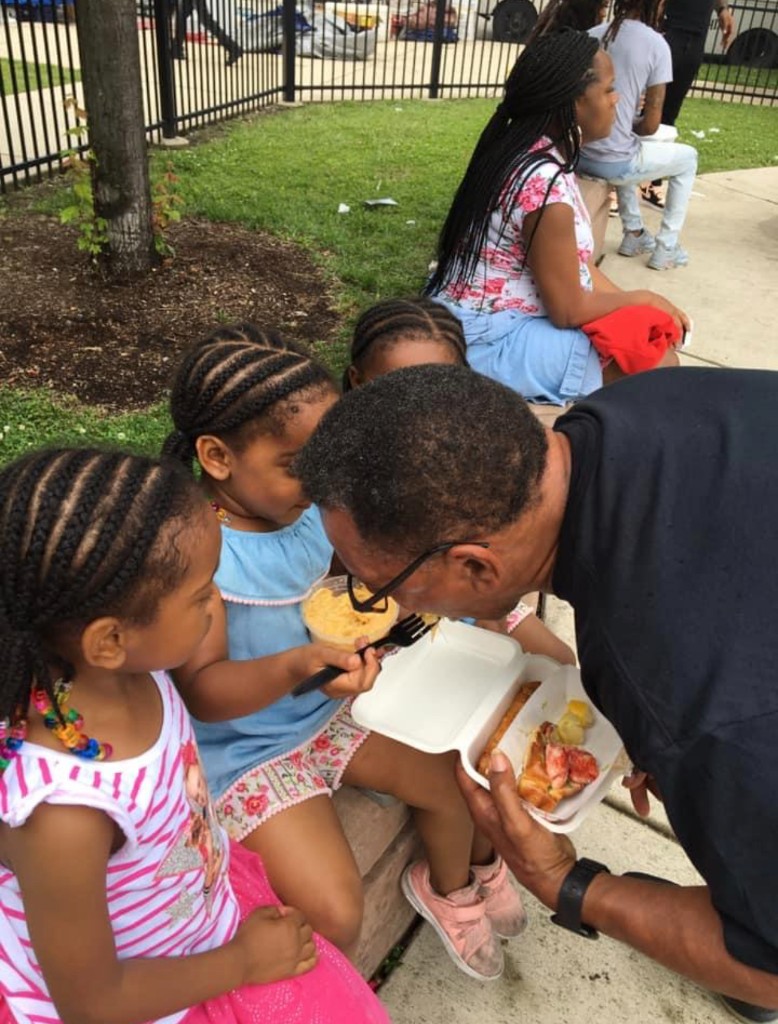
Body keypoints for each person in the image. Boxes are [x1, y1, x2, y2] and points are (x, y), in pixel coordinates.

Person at [296, 363, 778, 1023]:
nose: (375, 604)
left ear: (475, 565)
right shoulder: (630, 410)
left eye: (382, 587)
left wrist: (570, 884)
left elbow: (771, 968)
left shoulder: (690, 704)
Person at [162, 324, 527, 982]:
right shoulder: (203, 556)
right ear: (217, 457)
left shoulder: (302, 510)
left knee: (452, 781)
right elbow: (204, 695)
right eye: (301, 465)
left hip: (323, 710)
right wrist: (302, 664)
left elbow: (339, 578)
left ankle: (448, 890)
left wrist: (388, 609)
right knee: (335, 911)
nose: (324, 479)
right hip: (246, 750)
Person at [0, 447, 391, 1024]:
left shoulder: (139, 672)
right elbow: (93, 1003)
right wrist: (241, 962)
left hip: (196, 902)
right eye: (203, 592)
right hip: (151, 995)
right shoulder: (64, 814)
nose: (218, 602)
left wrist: (295, 667)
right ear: (108, 641)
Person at [425, 30, 687, 406]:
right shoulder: (543, 186)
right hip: (488, 339)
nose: (619, 100)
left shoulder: (536, 153)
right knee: (661, 368)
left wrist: (646, 305)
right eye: (610, 89)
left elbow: (575, 265)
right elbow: (568, 310)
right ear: (576, 102)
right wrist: (643, 299)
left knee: (644, 338)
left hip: (483, 320)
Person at [345, 296, 576, 667]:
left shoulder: (468, 451)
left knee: (560, 659)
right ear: (358, 382)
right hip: (389, 609)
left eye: (437, 391)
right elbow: (348, 577)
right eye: (393, 391)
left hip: (465, 590)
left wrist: (487, 604)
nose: (416, 411)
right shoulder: (340, 467)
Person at [576, 0, 699, 270]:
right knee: (688, 158)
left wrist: (623, 125)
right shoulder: (656, 44)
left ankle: (634, 233)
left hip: (579, 154)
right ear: (657, 5)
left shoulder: (593, 34)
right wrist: (632, 124)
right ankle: (666, 247)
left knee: (627, 144)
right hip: (613, 161)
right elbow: (651, 125)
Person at [641, 0, 734, 208]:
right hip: (672, 31)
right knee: (648, 107)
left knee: (669, 114)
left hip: (696, 36)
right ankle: (623, 183)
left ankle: (651, 182)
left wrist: (722, 9)